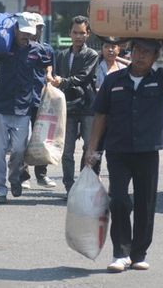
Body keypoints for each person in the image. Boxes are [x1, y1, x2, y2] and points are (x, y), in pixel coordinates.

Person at [85, 12, 163, 272]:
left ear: (155, 57)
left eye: (146, 52)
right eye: (137, 50)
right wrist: (92, 148)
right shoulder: (113, 81)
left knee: (145, 203)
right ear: (130, 52)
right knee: (118, 199)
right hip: (117, 151)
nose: (140, 56)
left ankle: (138, 253)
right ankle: (120, 252)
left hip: (148, 151)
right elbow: (100, 116)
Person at [0, 12, 53, 203]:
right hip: (1, 107)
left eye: (29, 32)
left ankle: (15, 177)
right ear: (15, 30)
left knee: (18, 150)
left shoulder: (38, 50)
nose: (27, 36)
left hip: (23, 109)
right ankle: (0, 190)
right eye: (23, 32)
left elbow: (47, 65)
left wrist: (50, 77)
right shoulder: (4, 47)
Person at [52, 15, 99, 193]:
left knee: (89, 147)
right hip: (67, 107)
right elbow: (55, 76)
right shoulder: (62, 54)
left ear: (88, 34)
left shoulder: (92, 55)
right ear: (70, 33)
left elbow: (83, 77)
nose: (78, 36)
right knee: (67, 150)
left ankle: (84, 183)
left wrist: (62, 81)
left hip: (87, 106)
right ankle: (69, 186)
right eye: (75, 32)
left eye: (82, 33)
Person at [19, 12, 57, 189]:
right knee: (21, 139)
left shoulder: (47, 49)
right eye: (36, 27)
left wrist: (49, 75)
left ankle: (41, 175)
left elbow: (49, 69)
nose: (38, 31)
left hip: (40, 99)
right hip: (21, 100)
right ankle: (23, 175)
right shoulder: (18, 48)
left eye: (40, 28)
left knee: (41, 139)